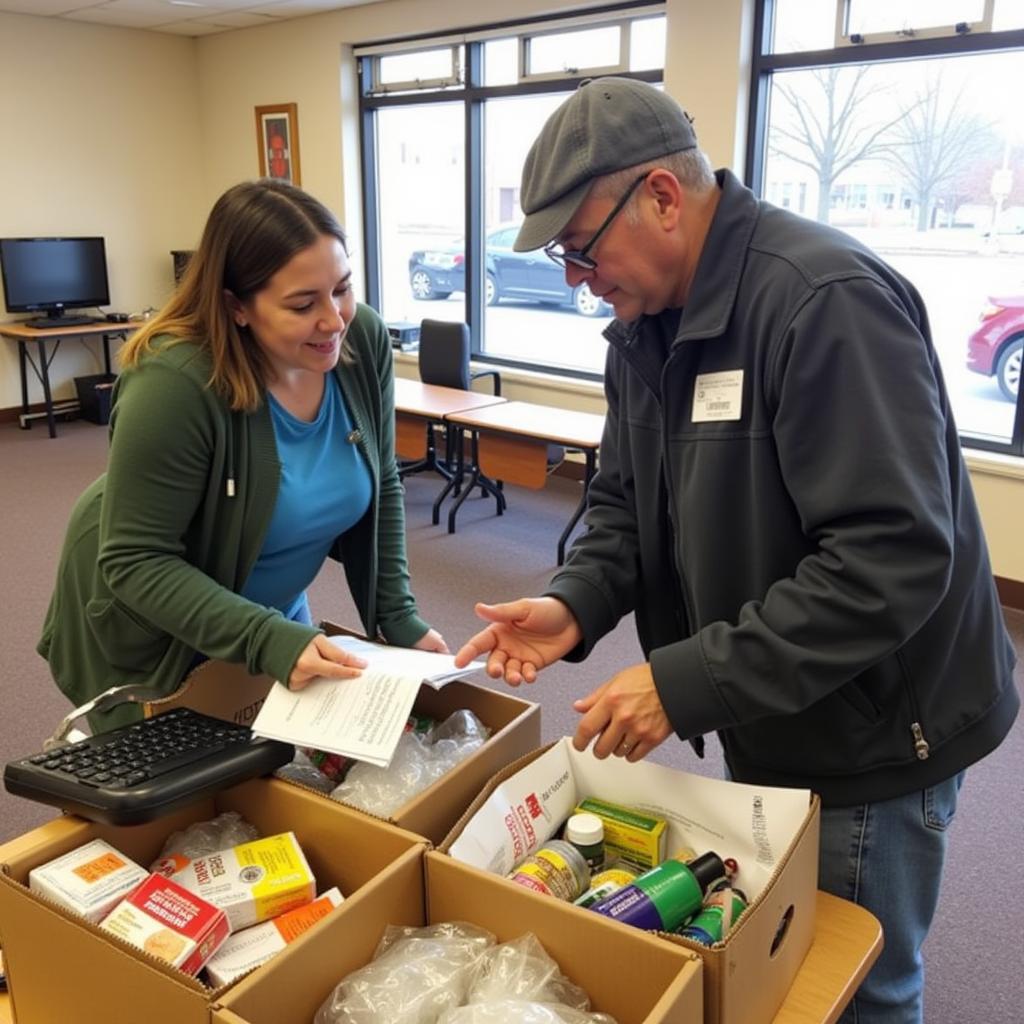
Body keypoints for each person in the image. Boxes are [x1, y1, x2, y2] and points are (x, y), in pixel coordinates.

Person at [454, 78, 1019, 1024]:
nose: (575, 279)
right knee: (778, 964)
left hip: (874, 727)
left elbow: (892, 559)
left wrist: (684, 682)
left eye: (580, 249)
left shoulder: (822, 302)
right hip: (774, 697)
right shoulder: (643, 328)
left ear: (663, 199)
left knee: (854, 984)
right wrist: (575, 601)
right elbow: (625, 505)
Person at [39, 178, 446, 732]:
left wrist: (398, 617)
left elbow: (382, 484)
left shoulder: (359, 340)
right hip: (156, 616)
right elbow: (137, 561)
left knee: (270, 760)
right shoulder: (175, 381)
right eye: (303, 304)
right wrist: (266, 637)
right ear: (236, 306)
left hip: (269, 602)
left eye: (343, 288)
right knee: (166, 792)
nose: (334, 319)